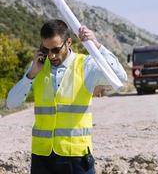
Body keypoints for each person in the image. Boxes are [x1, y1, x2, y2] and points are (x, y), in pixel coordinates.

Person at [6, 19, 127, 174]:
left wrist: (97, 46)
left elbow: (121, 78)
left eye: (56, 49)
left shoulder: (86, 65)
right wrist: (30, 75)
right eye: (46, 49)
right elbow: (11, 103)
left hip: (76, 157)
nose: (51, 55)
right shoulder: (37, 67)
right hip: (42, 158)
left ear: (68, 42)